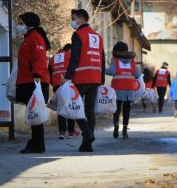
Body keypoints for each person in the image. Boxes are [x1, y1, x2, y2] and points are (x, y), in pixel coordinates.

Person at [62, 9, 105, 152]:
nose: (72, 21)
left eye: (73, 18)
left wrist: (67, 77)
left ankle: (86, 132)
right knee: (89, 110)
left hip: (81, 77)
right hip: (95, 78)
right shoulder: (98, 36)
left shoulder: (78, 35)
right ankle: (87, 144)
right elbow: (102, 59)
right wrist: (101, 78)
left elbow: (74, 57)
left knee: (74, 107)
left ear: (81, 19)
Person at [15, 12, 51, 153]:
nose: (19, 26)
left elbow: (40, 58)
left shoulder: (35, 37)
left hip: (35, 81)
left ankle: (37, 144)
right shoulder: (29, 37)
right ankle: (37, 143)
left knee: (36, 114)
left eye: (20, 23)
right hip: (28, 80)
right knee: (34, 113)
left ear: (28, 23)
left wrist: (36, 75)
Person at [106, 41, 141, 139]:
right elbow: (137, 75)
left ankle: (116, 126)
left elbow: (112, 71)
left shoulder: (115, 60)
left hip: (118, 88)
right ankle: (125, 131)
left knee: (117, 109)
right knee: (127, 110)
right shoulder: (132, 61)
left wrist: (102, 69)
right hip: (130, 88)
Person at [48, 44, 80, 139]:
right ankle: (71, 131)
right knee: (70, 106)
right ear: (69, 50)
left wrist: (54, 84)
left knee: (61, 108)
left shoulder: (53, 58)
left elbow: (49, 72)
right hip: (67, 84)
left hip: (57, 85)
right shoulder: (70, 55)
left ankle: (62, 132)